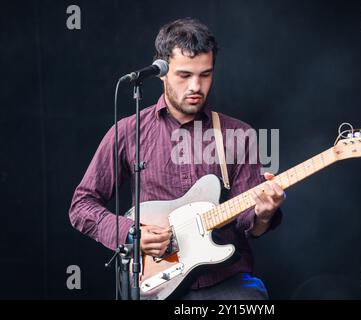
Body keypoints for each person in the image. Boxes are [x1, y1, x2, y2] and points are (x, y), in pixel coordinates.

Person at [69, 17, 284, 300]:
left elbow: (250, 225)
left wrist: (264, 213)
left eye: (205, 74)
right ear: (162, 71)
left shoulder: (238, 134)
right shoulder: (127, 132)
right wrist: (130, 234)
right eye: (184, 75)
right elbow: (81, 205)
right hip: (155, 282)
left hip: (225, 282)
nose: (196, 86)